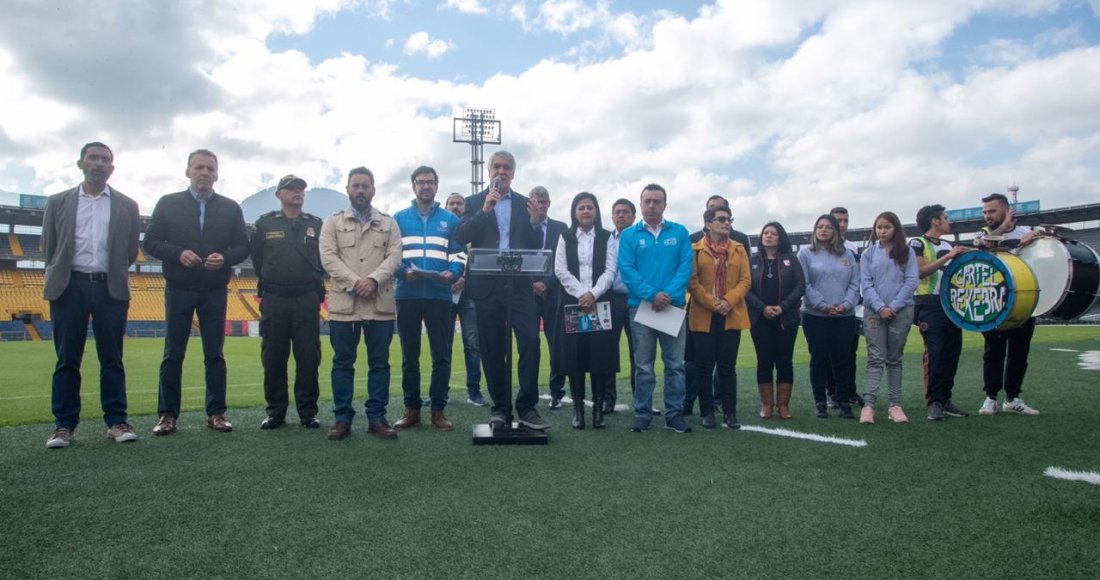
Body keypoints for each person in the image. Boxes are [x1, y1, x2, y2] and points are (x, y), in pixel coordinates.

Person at [41, 142, 141, 449]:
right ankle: (64, 426)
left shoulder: (127, 205)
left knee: (112, 358)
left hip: (110, 287)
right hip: (70, 286)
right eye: (93, 158)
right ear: (80, 163)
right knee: (67, 358)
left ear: (112, 168)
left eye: (104, 160)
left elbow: (128, 252)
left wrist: (108, 273)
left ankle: (116, 421)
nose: (98, 163)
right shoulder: (58, 202)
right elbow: (49, 246)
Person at [143, 149, 249, 435]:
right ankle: (167, 415)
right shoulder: (168, 203)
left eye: (210, 169)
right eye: (199, 167)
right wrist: (178, 254)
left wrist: (225, 258)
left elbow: (242, 247)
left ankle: (216, 413)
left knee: (214, 353)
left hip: (215, 289)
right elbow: (150, 242)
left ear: (217, 174)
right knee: (173, 353)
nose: (204, 173)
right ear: (188, 171)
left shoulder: (230, 207)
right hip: (179, 287)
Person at [455, 150, 550, 431]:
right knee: (492, 348)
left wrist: (534, 225)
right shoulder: (474, 202)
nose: (501, 171)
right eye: (496, 166)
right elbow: (463, 236)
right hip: (486, 286)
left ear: (513, 173)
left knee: (531, 342)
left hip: (520, 286)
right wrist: (486, 209)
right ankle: (499, 407)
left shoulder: (525, 204)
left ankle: (527, 407)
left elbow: (534, 245)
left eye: (506, 167)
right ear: (488, 172)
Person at [319, 167, 403, 440]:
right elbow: (328, 257)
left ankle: (376, 418)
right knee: (343, 363)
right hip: (345, 305)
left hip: (380, 305)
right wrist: (357, 281)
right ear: (347, 189)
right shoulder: (332, 222)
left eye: (365, 186)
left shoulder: (389, 223)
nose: (360, 190)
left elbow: (394, 257)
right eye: (355, 186)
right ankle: (342, 419)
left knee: (379, 363)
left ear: (373, 189)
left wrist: (374, 280)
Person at [392, 166, 465, 431]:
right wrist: (402, 271)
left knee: (441, 355)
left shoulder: (451, 220)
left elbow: (459, 255)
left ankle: (438, 410)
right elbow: (391, 256)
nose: (425, 186)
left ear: (437, 186)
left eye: (430, 182)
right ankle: (412, 409)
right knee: (409, 356)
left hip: (439, 295)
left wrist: (453, 272)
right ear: (413, 186)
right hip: (407, 294)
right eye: (420, 182)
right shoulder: (399, 218)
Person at [249, 174, 325, 430]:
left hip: (306, 296)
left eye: (301, 189)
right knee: (273, 356)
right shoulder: (265, 224)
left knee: (308, 356)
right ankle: (276, 411)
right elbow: (258, 259)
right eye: (292, 189)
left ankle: (308, 412)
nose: (297, 192)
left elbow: (323, 259)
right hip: (275, 297)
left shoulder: (316, 224)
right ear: (279, 194)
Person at [618, 184, 694, 433]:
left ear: (664, 205)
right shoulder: (629, 235)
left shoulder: (680, 232)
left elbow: (685, 267)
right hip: (641, 307)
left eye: (657, 201)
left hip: (672, 307)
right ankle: (643, 413)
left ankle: (674, 413)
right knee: (643, 366)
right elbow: (627, 270)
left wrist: (668, 295)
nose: (652, 205)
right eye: (647, 201)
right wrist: (652, 295)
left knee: (675, 365)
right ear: (640, 205)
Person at [553, 192, 618, 429]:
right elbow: (560, 270)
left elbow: (610, 270)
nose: (586, 211)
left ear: (596, 211)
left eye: (590, 207)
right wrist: (582, 293)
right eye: (581, 207)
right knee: (575, 358)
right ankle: (578, 410)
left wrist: (594, 294)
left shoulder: (606, 236)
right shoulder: (565, 237)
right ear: (574, 212)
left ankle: (598, 410)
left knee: (599, 357)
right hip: (574, 304)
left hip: (599, 304)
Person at [974, 193, 1040, 416]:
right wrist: (1004, 228)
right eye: (984, 212)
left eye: (991, 211)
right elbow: (985, 244)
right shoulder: (984, 232)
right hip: (995, 300)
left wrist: (1037, 235)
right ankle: (990, 397)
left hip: (1024, 298)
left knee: (1019, 351)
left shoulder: (1028, 230)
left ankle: (1012, 398)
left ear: (1005, 208)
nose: (987, 215)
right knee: (993, 351)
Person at [685, 195, 749, 415]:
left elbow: (746, 280)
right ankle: (706, 413)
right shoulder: (695, 249)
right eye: (721, 219)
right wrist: (715, 303)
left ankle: (730, 412)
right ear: (708, 223)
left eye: (728, 219)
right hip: (704, 314)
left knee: (727, 368)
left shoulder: (739, 248)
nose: (726, 223)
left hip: (731, 314)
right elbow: (692, 282)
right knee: (703, 368)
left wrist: (728, 301)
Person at [911, 204, 973, 420]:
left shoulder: (948, 244)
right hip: (928, 304)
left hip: (952, 304)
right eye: (945, 217)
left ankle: (945, 399)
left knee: (951, 352)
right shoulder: (917, 243)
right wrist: (948, 256)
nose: (949, 221)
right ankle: (934, 402)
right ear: (935, 221)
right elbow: (919, 272)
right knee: (935, 352)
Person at [858, 212, 919, 424]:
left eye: (887, 227)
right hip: (874, 313)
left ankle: (895, 405)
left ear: (896, 229)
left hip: (900, 312)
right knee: (875, 359)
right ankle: (869, 406)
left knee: (895, 359)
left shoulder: (907, 252)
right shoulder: (868, 254)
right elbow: (866, 285)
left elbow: (911, 282)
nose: (882, 231)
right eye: (879, 227)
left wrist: (892, 307)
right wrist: (881, 307)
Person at [799, 214, 860, 419]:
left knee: (842, 360)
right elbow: (804, 284)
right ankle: (820, 402)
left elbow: (854, 283)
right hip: (816, 316)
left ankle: (843, 402)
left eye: (828, 227)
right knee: (818, 360)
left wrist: (845, 305)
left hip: (844, 316)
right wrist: (823, 306)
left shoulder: (847, 254)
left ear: (835, 231)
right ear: (814, 230)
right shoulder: (806, 253)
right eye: (819, 226)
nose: (823, 230)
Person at [746, 222, 804, 420]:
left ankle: (783, 405)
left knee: (784, 361)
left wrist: (782, 307)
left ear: (781, 238)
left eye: (773, 233)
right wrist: (763, 308)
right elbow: (745, 288)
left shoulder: (791, 260)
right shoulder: (752, 260)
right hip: (759, 319)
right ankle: (767, 404)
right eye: (765, 233)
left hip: (786, 319)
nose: (768, 236)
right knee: (764, 361)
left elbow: (800, 286)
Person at [529, 186, 569, 408]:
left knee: (556, 345)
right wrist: (532, 283)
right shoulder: (521, 226)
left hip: (554, 294)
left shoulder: (560, 228)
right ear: (530, 203)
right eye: (537, 202)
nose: (541, 206)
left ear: (549, 203)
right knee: (529, 344)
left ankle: (556, 392)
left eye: (544, 202)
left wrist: (546, 282)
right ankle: (529, 392)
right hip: (527, 294)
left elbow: (563, 262)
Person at [445, 193, 486, 407]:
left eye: (459, 203)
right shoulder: (443, 231)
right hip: (446, 292)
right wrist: (450, 278)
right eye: (452, 203)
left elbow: (480, 258)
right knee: (444, 345)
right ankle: (442, 391)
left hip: (469, 293)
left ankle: (474, 391)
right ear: (446, 207)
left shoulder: (473, 230)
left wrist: (464, 278)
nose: (456, 207)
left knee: (472, 344)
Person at [825, 206, 864, 410]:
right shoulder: (820, 246)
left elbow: (855, 278)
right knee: (832, 353)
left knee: (851, 352)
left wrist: (851, 301)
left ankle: (849, 391)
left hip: (849, 307)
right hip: (827, 308)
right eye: (838, 220)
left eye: (845, 220)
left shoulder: (852, 246)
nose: (842, 225)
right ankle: (832, 392)